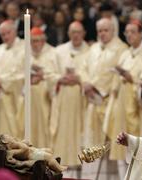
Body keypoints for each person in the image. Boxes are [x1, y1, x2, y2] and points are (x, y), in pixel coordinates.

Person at [103, 20, 142, 179]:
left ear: (141, 33)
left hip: (137, 106)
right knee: (120, 146)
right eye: (126, 32)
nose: (129, 35)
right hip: (122, 104)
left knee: (135, 146)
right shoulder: (124, 54)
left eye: (133, 32)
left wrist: (131, 78)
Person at [83, 18, 127, 146]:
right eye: (100, 31)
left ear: (113, 31)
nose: (102, 33)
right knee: (93, 141)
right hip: (92, 98)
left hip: (110, 99)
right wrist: (86, 83)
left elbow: (116, 74)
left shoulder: (122, 48)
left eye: (106, 30)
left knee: (112, 141)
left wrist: (95, 86)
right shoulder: (94, 48)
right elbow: (83, 67)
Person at [50, 21, 89, 167]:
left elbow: (92, 74)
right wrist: (60, 78)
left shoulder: (90, 51)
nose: (76, 35)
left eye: (79, 32)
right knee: (62, 129)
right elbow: (50, 72)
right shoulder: (59, 51)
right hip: (62, 97)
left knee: (81, 128)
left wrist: (79, 79)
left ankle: (80, 163)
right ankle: (62, 161)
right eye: (73, 32)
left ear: (84, 33)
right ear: (68, 33)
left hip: (81, 99)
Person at [0, 20, 25, 139]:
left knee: (13, 133)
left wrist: (1, 81)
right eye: (3, 34)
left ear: (15, 31)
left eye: (8, 33)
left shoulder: (24, 48)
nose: (6, 36)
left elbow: (22, 72)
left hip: (13, 96)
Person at [27, 27, 59, 148]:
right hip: (28, 98)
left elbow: (57, 74)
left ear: (43, 40)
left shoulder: (53, 53)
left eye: (38, 41)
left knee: (45, 124)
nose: (35, 44)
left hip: (46, 98)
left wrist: (43, 76)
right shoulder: (25, 54)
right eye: (33, 41)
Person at [0, 134, 67, 172]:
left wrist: (24, 142)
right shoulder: (13, 147)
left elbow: (25, 146)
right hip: (32, 155)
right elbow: (25, 149)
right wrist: (20, 145)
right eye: (8, 137)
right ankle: (58, 168)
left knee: (49, 150)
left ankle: (55, 165)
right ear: (5, 141)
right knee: (49, 157)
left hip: (33, 151)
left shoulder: (14, 145)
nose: (11, 137)